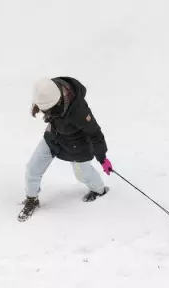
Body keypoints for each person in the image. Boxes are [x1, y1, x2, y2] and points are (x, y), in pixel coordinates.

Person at [18, 77, 114, 221]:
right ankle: (32, 199)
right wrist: (37, 106)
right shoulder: (49, 88)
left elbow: (95, 133)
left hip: (77, 146)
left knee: (82, 174)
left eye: (47, 110)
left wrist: (102, 158)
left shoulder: (79, 110)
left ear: (57, 102)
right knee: (33, 168)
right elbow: (42, 97)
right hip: (53, 138)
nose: (45, 113)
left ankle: (99, 190)